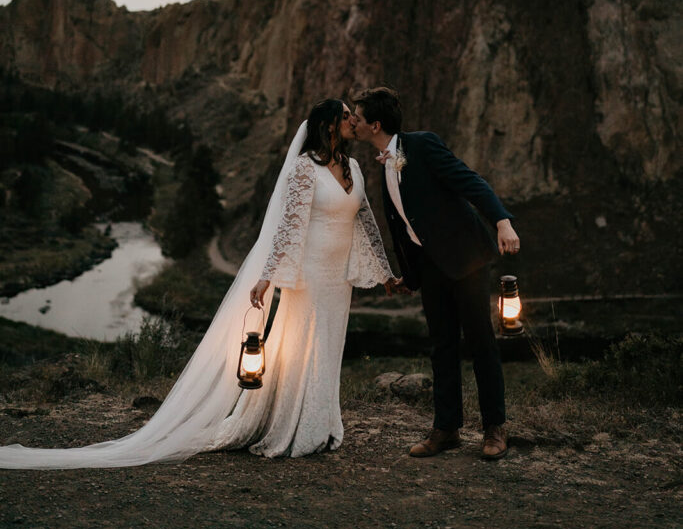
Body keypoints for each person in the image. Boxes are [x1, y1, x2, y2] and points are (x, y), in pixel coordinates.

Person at [0, 99, 397, 468]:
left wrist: (384, 272)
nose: (353, 120)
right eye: (346, 115)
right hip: (308, 274)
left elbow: (364, 222)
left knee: (330, 346)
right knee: (303, 346)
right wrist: (266, 277)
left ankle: (325, 424)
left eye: (353, 115)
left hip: (336, 279)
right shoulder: (303, 169)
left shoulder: (354, 169)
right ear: (329, 124)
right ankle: (295, 429)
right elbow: (287, 229)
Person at [351, 86, 520, 460]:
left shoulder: (423, 145)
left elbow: (470, 181)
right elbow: (407, 229)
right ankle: (446, 430)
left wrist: (502, 222)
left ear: (375, 124)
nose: (354, 123)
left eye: (358, 118)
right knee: (442, 347)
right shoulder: (385, 165)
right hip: (431, 268)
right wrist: (408, 278)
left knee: (480, 344)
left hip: (467, 259)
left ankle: (495, 429)